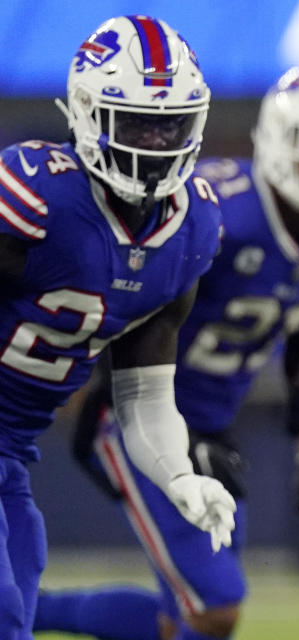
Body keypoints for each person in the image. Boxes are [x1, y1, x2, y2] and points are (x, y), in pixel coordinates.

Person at [34, 65, 299, 640]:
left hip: (215, 433)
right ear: (278, 134)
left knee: (187, 618)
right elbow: (129, 307)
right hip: (135, 419)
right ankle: (22, 612)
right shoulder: (215, 209)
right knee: (215, 605)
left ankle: (23, 610)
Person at [0, 14, 237, 640]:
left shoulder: (191, 232)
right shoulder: (38, 196)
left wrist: (180, 476)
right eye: (134, 122)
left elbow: (144, 395)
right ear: (85, 112)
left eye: (170, 126)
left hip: (10, 456)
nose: (153, 143)